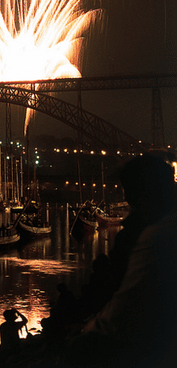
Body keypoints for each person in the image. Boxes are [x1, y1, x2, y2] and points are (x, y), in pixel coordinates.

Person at [67, 151, 177, 367]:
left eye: (133, 202)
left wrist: (87, 329)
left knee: (78, 351)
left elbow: (124, 307)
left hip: (159, 343)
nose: (129, 217)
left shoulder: (158, 236)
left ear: (146, 196)